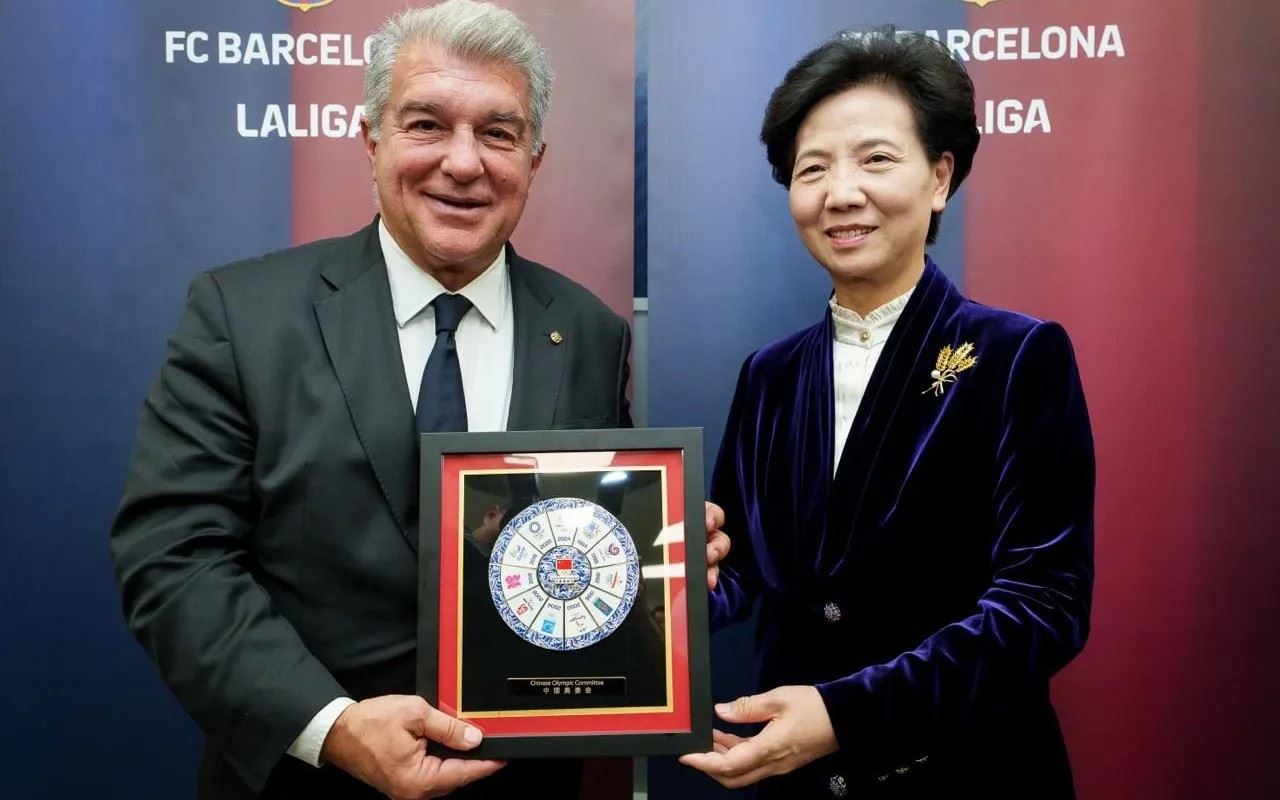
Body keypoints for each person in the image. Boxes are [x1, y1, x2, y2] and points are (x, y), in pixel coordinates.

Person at [110, 2, 728, 797]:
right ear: (372, 140)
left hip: (521, 785)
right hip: (307, 781)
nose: (463, 163)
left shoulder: (588, 331)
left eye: (498, 133)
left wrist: (659, 557)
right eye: (427, 124)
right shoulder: (242, 315)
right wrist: (331, 726)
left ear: (535, 159)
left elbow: (574, 539)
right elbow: (173, 558)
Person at [679, 29, 1095, 798]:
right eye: (813, 168)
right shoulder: (769, 375)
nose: (841, 193)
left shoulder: (1017, 357)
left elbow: (1045, 606)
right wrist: (676, 580)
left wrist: (845, 713)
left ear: (939, 177)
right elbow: (742, 569)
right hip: (797, 783)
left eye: (875, 159)